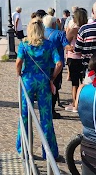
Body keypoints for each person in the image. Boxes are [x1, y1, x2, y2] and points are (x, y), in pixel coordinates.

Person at [16, 19, 62, 160]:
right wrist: (52, 78)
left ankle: (23, 149)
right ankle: (49, 153)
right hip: (44, 81)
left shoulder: (24, 44)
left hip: (28, 81)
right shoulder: (49, 45)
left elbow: (19, 62)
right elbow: (59, 63)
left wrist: (19, 74)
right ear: (42, 29)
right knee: (46, 117)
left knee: (25, 115)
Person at [43, 15, 70, 118]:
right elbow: (66, 45)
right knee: (54, 87)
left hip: (44, 65)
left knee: (45, 87)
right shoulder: (60, 34)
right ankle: (52, 111)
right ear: (54, 23)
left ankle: (44, 108)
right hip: (56, 65)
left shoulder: (42, 33)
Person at [65, 7, 89, 112]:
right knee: (84, 81)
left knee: (75, 83)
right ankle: (84, 103)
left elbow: (65, 42)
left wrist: (70, 48)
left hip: (74, 57)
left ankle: (75, 103)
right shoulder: (88, 29)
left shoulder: (74, 30)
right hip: (86, 58)